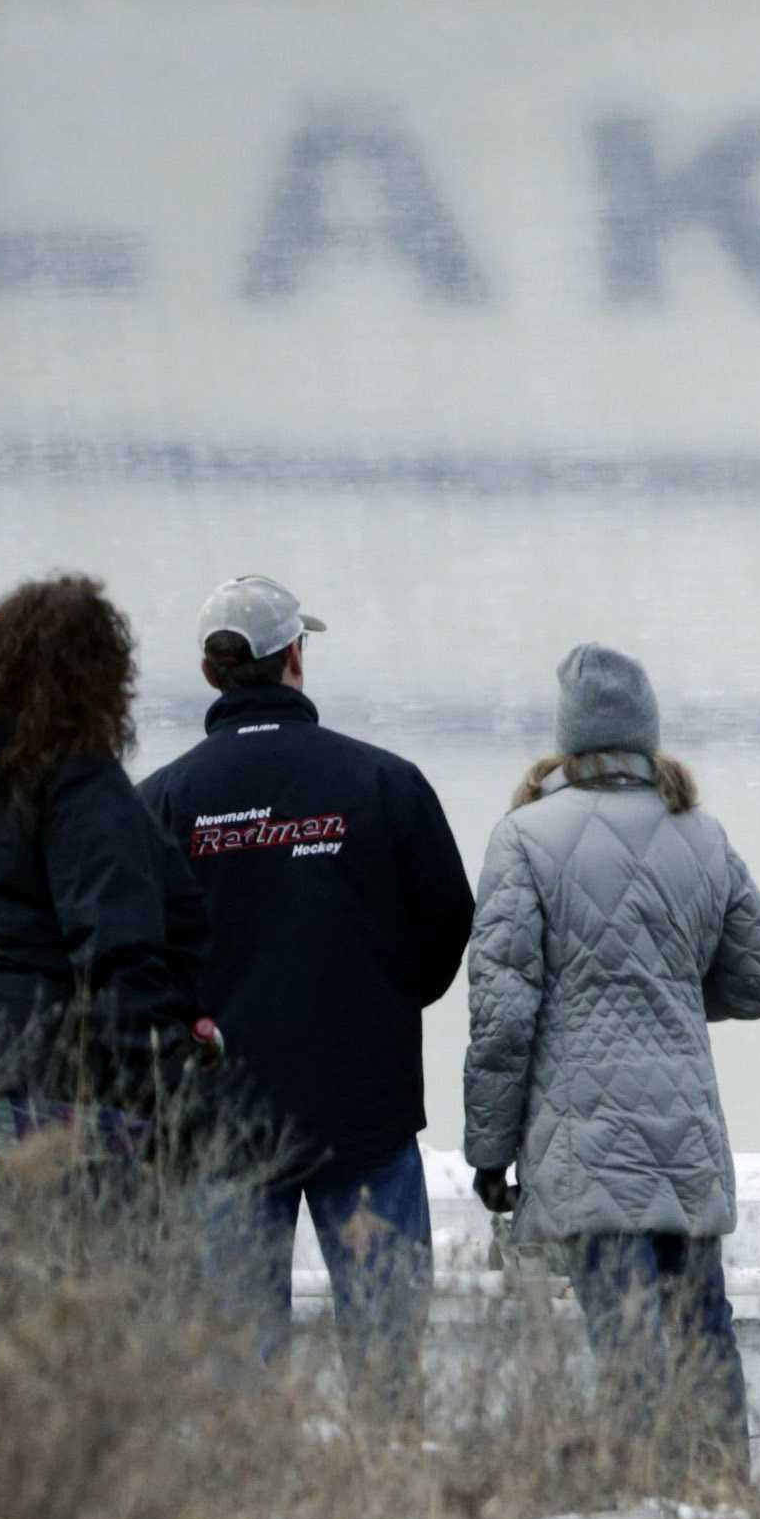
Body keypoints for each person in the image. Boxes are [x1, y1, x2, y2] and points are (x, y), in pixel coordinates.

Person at [141, 576, 479, 1396]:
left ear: (212, 670)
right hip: (363, 1113)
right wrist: (383, 1003)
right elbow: (448, 925)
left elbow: (135, 963)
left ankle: (255, 1518)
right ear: (295, 655)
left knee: (238, 1384)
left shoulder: (163, 801)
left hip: (220, 1125)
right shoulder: (384, 783)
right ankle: (388, 1507)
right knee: (386, 1366)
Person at [461, 645, 760, 1482]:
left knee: (630, 1351)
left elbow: (502, 1021)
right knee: (706, 1338)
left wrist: (489, 1152)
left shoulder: (524, 839)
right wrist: (668, 989)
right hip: (684, 1141)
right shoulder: (702, 834)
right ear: (646, 733)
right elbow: (759, 981)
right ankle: (726, 1515)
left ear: (567, 739)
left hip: (586, 1143)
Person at [0, 576, 220, 1203]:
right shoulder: (81, 783)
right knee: (101, 1278)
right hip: (46, 1084)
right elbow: (116, 948)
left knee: (8, 1274)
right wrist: (167, 1086)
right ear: (98, 678)